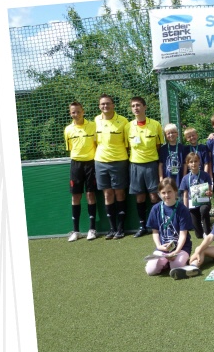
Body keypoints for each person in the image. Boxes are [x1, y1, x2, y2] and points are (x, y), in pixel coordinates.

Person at [144, 178, 201, 279]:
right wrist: (159, 246)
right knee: (150, 271)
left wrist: (176, 251)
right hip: (163, 249)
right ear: (159, 194)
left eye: (169, 191)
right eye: (163, 193)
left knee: (176, 266)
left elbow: (183, 235)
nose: (167, 195)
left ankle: (177, 261)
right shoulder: (156, 209)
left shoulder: (182, 209)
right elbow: (155, 232)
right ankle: (165, 262)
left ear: (175, 191)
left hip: (181, 248)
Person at [125, 96, 164, 238]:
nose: (136, 108)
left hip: (151, 164)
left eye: (138, 105)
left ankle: (157, 225)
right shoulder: (128, 126)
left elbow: (159, 146)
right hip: (135, 165)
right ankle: (142, 226)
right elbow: (127, 147)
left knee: (154, 196)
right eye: (133, 106)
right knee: (140, 197)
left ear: (145, 107)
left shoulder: (155, 125)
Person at [94, 93, 129, 240]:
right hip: (100, 162)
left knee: (119, 193)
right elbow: (95, 142)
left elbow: (127, 143)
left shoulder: (123, 121)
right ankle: (112, 228)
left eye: (108, 103)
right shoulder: (96, 121)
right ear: (99, 106)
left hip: (119, 161)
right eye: (102, 104)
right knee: (107, 194)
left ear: (113, 105)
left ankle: (121, 229)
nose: (105, 106)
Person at [64, 101, 98, 241]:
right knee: (76, 196)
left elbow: (97, 144)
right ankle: (76, 231)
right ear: (70, 113)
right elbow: (70, 148)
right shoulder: (68, 130)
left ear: (83, 111)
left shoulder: (93, 126)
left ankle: (92, 229)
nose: (76, 114)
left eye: (78, 111)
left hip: (91, 164)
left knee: (90, 194)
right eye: (73, 112)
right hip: (76, 165)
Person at [179, 152, 213, 239]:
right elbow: (185, 195)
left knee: (203, 209)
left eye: (195, 161)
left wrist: (209, 193)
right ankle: (202, 231)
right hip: (192, 205)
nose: (193, 163)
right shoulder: (185, 178)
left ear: (199, 162)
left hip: (204, 202)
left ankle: (208, 232)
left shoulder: (205, 175)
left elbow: (210, 192)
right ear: (187, 163)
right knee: (198, 235)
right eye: (191, 162)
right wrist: (186, 208)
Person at [158, 123, 185, 188]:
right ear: (165, 136)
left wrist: (184, 177)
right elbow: (160, 165)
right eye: (168, 133)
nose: (171, 135)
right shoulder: (163, 149)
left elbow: (185, 164)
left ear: (177, 134)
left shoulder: (182, 148)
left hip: (179, 178)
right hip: (167, 178)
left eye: (173, 132)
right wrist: (161, 178)